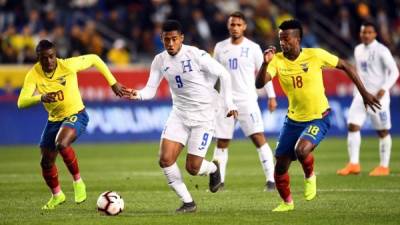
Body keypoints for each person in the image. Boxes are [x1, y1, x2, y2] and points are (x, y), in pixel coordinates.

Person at [255, 19, 381, 212]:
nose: (282, 43)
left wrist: (364, 93)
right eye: (280, 39)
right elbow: (259, 83)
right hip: (293, 120)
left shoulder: (315, 55)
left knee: (302, 150)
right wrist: (265, 64)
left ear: (297, 40)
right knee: (279, 168)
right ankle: (287, 203)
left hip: (318, 117)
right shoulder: (277, 60)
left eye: (286, 39)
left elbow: (346, 65)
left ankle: (310, 176)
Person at [127, 20, 238, 213]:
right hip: (179, 114)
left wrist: (229, 103)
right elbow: (150, 90)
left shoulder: (195, 54)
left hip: (204, 117)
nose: (170, 43)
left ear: (181, 39)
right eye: (166, 39)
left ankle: (213, 168)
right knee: (165, 159)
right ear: (161, 39)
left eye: (174, 39)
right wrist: (137, 94)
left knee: (193, 168)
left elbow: (224, 75)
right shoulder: (159, 61)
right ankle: (188, 202)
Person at [17, 40, 128, 210]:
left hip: (77, 114)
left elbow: (95, 59)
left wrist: (113, 83)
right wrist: (40, 97)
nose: (49, 61)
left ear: (56, 55)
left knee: (61, 143)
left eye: (52, 57)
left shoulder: (67, 65)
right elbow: (21, 102)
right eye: (44, 58)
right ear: (38, 58)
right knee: (46, 162)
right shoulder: (33, 74)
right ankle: (57, 195)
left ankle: (78, 182)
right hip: (54, 119)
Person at [212, 11, 277, 191]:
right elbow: (213, 75)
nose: (235, 28)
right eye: (232, 24)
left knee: (258, 138)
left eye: (239, 25)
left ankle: (271, 180)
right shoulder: (219, 48)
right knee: (222, 142)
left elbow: (263, 73)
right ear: (228, 26)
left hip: (247, 100)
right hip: (225, 102)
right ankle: (219, 181)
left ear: (245, 27)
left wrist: (271, 96)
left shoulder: (253, 48)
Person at [337, 21, 399, 176]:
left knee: (382, 131)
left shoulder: (382, 50)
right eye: (363, 32)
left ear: (375, 34)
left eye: (369, 32)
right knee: (352, 126)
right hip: (361, 96)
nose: (366, 35)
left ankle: (384, 166)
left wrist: (383, 89)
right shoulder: (358, 50)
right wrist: (359, 91)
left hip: (378, 98)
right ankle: (354, 164)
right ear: (360, 33)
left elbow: (394, 72)